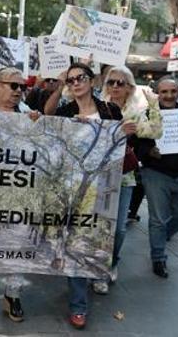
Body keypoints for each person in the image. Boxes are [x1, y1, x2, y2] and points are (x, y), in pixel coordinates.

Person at [44, 63, 126, 329]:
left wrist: (129, 132)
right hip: (74, 187)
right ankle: (79, 306)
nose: (76, 83)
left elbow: (119, 143)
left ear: (92, 81)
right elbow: (48, 116)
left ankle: (99, 269)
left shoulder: (110, 110)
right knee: (77, 240)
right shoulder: (66, 111)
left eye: (81, 78)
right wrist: (57, 88)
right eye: (71, 80)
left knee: (115, 233)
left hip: (107, 184)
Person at [0, 67, 40, 322]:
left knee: (16, 239)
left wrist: (39, 127)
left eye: (22, 87)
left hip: (18, 189)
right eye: (13, 86)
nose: (19, 91)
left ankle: (12, 294)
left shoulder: (29, 115)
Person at [94, 66, 161, 295]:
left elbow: (155, 132)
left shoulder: (135, 113)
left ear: (130, 88)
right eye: (111, 82)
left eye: (120, 83)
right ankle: (98, 270)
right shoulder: (96, 107)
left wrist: (153, 104)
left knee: (119, 229)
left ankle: (112, 262)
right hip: (96, 177)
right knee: (99, 226)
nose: (114, 87)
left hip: (124, 177)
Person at [136, 77, 178, 279]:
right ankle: (158, 258)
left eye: (173, 91)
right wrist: (149, 151)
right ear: (157, 94)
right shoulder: (147, 115)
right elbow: (137, 145)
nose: (169, 96)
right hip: (156, 173)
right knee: (158, 219)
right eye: (164, 92)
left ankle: (162, 237)